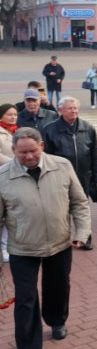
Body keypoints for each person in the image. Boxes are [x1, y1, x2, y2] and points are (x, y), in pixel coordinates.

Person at [0, 128, 91, 349]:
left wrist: (81, 233)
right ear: (14, 151)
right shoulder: (3, 176)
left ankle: (57, 319)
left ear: (41, 146)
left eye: (32, 150)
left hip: (59, 243)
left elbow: (79, 202)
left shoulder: (61, 166)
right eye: (22, 152)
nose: (28, 156)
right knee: (26, 300)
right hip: (22, 248)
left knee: (58, 286)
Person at [41, 97, 97, 249]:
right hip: (59, 177)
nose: (74, 111)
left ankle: (85, 238)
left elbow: (95, 154)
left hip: (83, 177)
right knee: (61, 210)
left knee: (82, 207)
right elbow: (46, 157)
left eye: (75, 108)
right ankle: (62, 239)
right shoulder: (49, 130)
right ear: (61, 110)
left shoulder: (88, 128)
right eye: (70, 108)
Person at [0, 104, 15, 261]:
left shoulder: (16, 131)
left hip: (14, 178)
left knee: (11, 213)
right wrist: (15, 163)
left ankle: (7, 245)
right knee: (3, 215)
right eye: (9, 114)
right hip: (3, 176)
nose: (13, 117)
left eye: (15, 114)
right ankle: (3, 248)